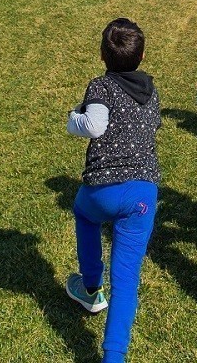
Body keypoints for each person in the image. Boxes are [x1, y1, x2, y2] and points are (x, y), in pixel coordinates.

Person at [65, 18, 161, 363]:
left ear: (102, 56)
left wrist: (71, 118)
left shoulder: (101, 87)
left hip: (103, 187)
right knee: (127, 276)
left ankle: (90, 287)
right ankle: (114, 356)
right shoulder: (153, 92)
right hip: (143, 193)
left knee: (83, 212)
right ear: (143, 55)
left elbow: (94, 124)